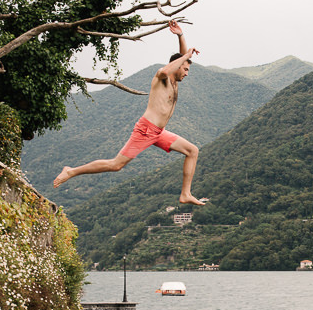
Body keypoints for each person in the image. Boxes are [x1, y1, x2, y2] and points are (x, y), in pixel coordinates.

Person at [52, 20, 205, 205]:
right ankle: (71, 171)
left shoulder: (175, 80)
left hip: (158, 133)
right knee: (116, 165)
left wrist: (181, 36)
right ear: (177, 66)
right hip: (146, 130)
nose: (187, 73)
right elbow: (170, 66)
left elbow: (180, 56)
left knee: (192, 151)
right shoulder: (162, 76)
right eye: (186, 69)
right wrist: (185, 55)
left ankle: (185, 194)